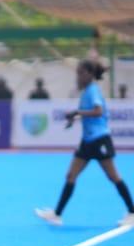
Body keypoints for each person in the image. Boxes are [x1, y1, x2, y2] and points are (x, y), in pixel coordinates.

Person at [35, 60, 134, 227]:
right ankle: (57, 215)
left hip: (99, 139)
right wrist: (75, 118)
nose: (78, 77)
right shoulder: (87, 91)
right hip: (87, 141)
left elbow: (98, 111)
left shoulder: (93, 90)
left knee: (113, 176)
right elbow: (90, 114)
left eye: (80, 73)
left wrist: (77, 112)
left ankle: (132, 212)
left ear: (88, 74)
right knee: (71, 175)